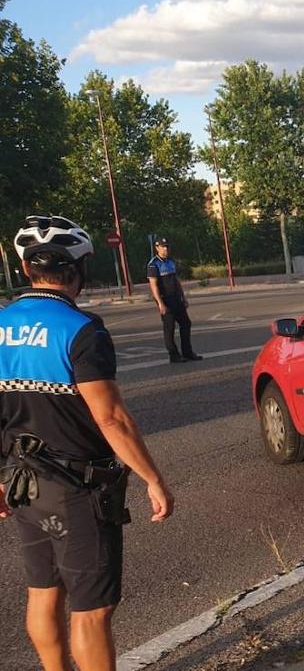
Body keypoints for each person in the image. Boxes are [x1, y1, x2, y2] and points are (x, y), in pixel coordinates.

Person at [1, 215, 174, 671]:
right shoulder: (81, 329)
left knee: (43, 592)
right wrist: (152, 478)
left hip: (22, 483)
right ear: (79, 269)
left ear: (24, 268)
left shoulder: (1, 324)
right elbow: (111, 418)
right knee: (92, 610)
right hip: (76, 489)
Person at [146, 237, 201, 363]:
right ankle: (174, 355)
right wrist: (160, 303)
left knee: (186, 323)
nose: (166, 249)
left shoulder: (171, 261)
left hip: (176, 297)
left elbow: (176, 281)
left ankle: (187, 352)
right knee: (169, 328)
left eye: (167, 246)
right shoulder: (153, 264)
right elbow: (153, 286)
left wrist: (183, 297)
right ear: (157, 248)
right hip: (166, 299)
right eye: (163, 246)